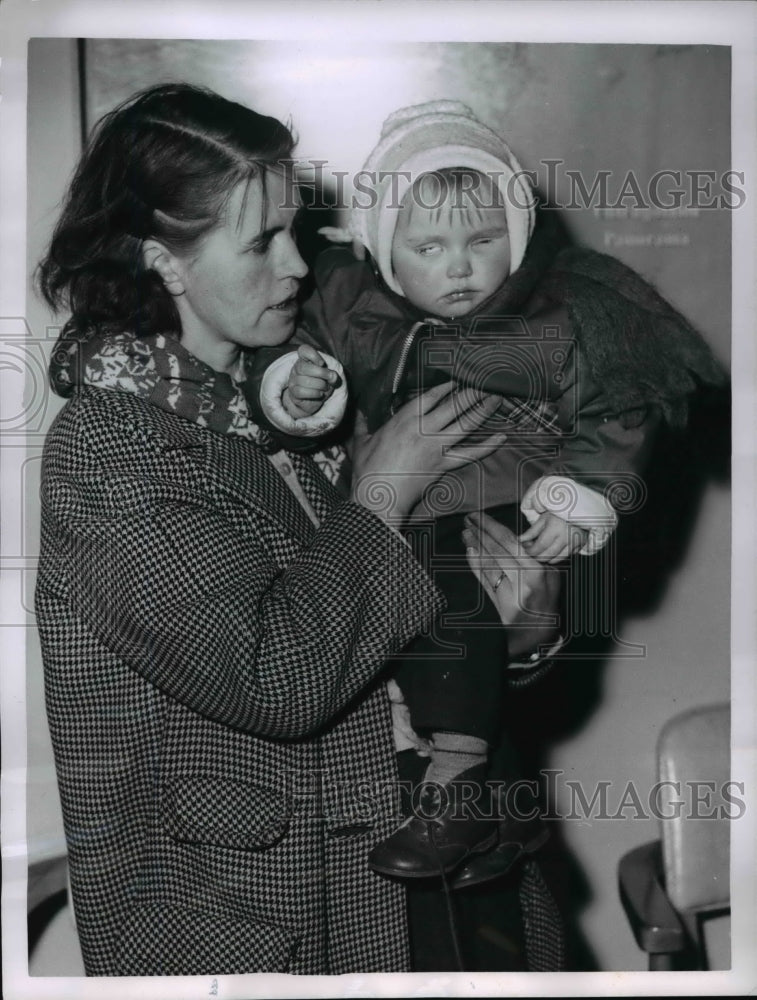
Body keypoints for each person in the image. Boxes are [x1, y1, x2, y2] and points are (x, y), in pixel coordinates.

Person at [33, 83, 561, 977]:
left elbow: (398, 615)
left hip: (442, 875)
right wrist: (384, 491)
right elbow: (277, 678)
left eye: (295, 230)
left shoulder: (297, 387)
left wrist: (524, 632)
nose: (298, 266)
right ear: (164, 261)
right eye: (260, 241)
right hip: (274, 924)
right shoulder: (110, 449)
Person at [251, 100, 725, 881]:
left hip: (500, 507)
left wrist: (578, 496)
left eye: (482, 239)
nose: (460, 266)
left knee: (447, 592)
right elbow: (309, 352)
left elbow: (620, 404)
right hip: (397, 511)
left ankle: (459, 775)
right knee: (410, 623)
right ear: (381, 250)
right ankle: (499, 815)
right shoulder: (352, 305)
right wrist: (301, 387)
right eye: (428, 246)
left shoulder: (555, 316)